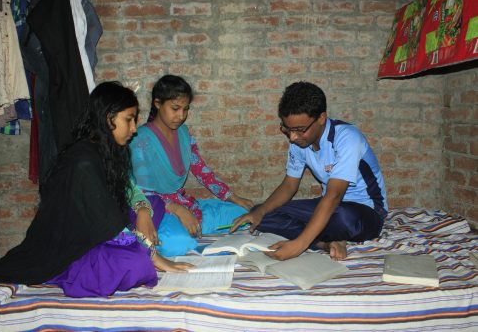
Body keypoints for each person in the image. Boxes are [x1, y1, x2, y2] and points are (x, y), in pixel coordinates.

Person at [0, 81, 191, 297]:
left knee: (153, 205)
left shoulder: (110, 151)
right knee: (136, 264)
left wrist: (143, 211)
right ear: (109, 118)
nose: (134, 128)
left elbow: (126, 190)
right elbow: (105, 221)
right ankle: (69, 273)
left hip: (99, 225)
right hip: (73, 244)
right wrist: (152, 255)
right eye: (129, 120)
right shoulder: (82, 161)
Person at [231, 82, 387, 261]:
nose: (293, 137)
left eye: (299, 130)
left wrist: (298, 246)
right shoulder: (299, 142)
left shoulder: (347, 138)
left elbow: (334, 195)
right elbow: (289, 185)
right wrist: (260, 212)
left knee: (343, 218)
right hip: (328, 205)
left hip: (365, 212)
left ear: (321, 118)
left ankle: (314, 236)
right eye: (287, 129)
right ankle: (324, 243)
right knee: (261, 215)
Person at [130, 75, 254, 256]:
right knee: (176, 243)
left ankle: (193, 227)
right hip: (157, 209)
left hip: (184, 203)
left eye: (185, 109)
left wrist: (235, 198)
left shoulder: (184, 134)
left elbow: (203, 172)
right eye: (175, 108)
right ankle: (187, 236)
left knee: (244, 215)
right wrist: (178, 210)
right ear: (157, 104)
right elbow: (140, 192)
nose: (181, 116)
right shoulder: (140, 139)